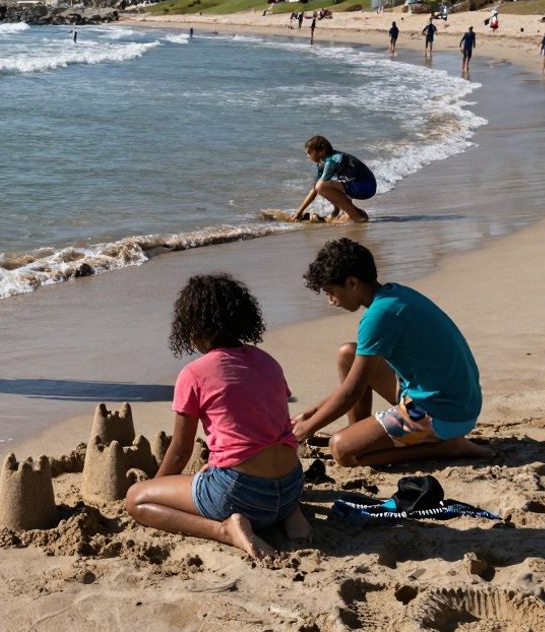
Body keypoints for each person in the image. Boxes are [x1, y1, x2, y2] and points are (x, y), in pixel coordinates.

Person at [124, 274, 308, 564]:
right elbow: (274, 426)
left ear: (193, 327)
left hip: (242, 494)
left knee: (136, 499)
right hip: (290, 485)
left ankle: (224, 529)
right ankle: (289, 514)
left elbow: (181, 450)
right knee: (245, 461)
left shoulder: (195, 373)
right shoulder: (268, 361)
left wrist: (155, 488)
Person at [292, 238, 487, 467]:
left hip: (443, 413)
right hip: (450, 397)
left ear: (352, 283)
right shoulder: (393, 295)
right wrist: (311, 414)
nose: (332, 301)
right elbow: (354, 384)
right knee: (348, 354)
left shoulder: (379, 316)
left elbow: (352, 393)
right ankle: (361, 433)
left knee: (342, 450)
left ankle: (447, 447)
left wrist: (308, 428)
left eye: (331, 292)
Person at [294, 135, 375, 223]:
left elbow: (319, 187)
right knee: (322, 186)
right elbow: (314, 189)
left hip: (366, 187)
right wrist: (299, 212)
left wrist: (299, 212)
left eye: (309, 152)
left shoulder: (332, 161)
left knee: (322, 186)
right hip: (358, 186)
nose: (308, 156)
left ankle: (355, 217)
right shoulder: (323, 162)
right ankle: (358, 213)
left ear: (322, 151)